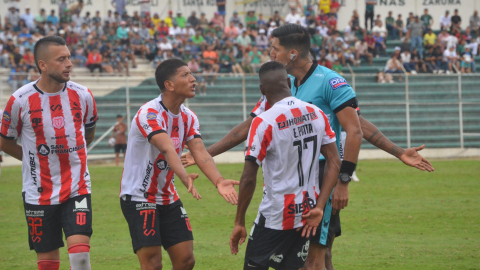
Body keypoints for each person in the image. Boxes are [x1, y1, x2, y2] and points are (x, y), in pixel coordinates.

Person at [181, 24, 434, 270]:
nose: (271, 54)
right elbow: (249, 125)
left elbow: (356, 127)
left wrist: (345, 180)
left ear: (292, 54)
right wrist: (204, 153)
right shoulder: (282, 83)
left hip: (324, 178)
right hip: (291, 187)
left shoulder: (330, 82)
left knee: (314, 260)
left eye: (275, 48)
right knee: (311, 258)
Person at [119, 59, 239, 270]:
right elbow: (166, 148)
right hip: (140, 196)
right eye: (185, 75)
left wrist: (219, 181)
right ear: (169, 85)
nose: (193, 79)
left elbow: (200, 152)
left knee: (186, 260)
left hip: (167, 197)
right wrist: (184, 177)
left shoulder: (189, 117)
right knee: (153, 264)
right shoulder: (149, 113)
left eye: (191, 74)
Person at [230, 61, 341, 270]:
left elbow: (248, 178)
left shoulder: (264, 122)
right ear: (289, 84)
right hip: (306, 213)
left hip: (275, 215)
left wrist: (239, 221)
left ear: (262, 90)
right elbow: (335, 161)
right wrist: (319, 206)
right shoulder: (317, 113)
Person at [0, 36, 97, 270]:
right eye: (61, 59)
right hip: (38, 191)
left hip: (77, 187)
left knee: (81, 256)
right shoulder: (20, 100)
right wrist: (33, 159)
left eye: (69, 58)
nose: (69, 63)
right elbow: (5, 141)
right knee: (47, 263)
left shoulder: (83, 95)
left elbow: (89, 132)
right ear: (42, 65)